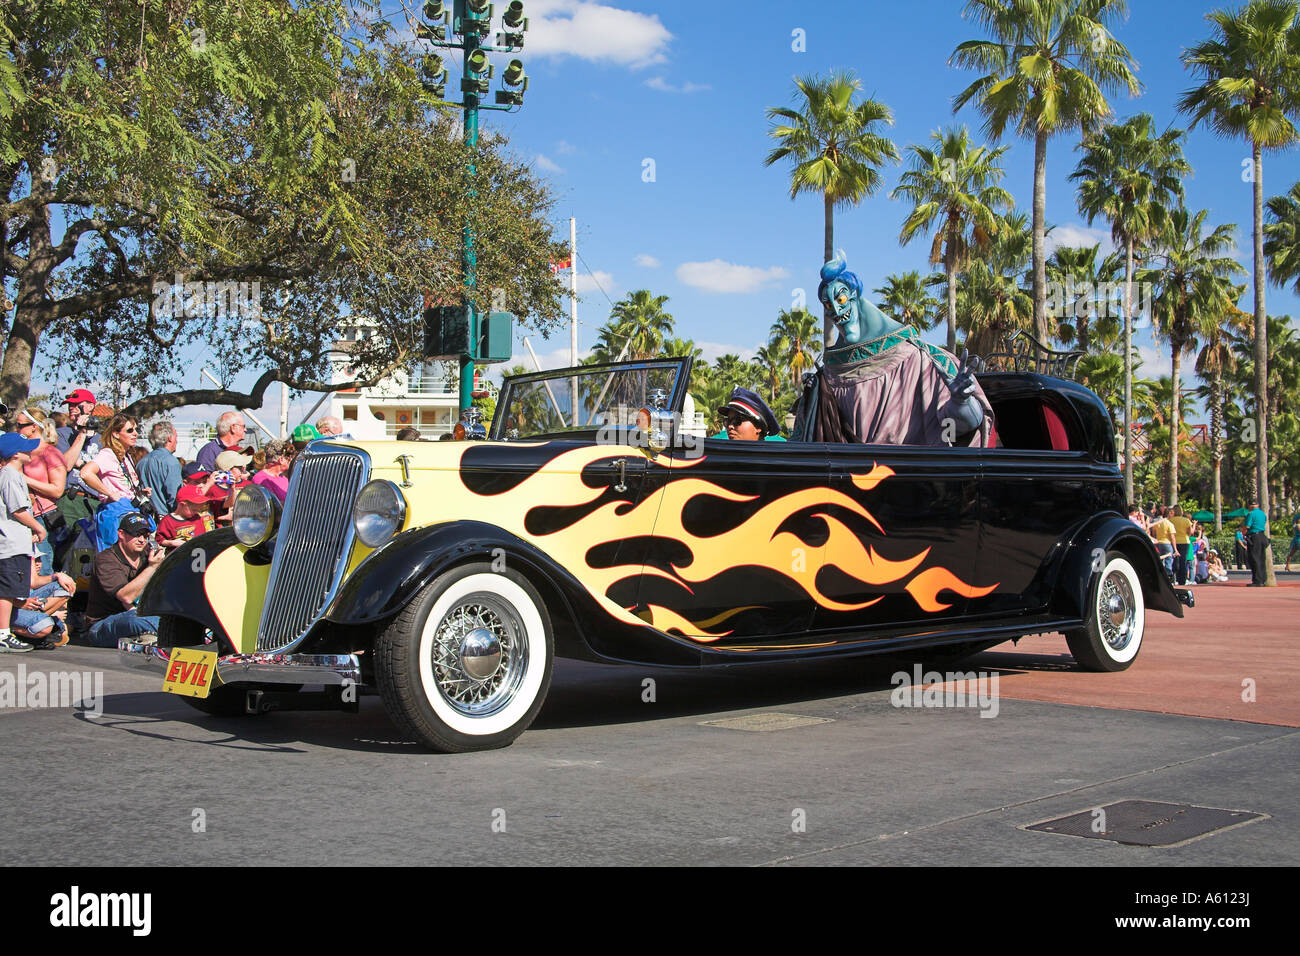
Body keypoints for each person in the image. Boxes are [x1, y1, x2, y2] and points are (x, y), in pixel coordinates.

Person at [793, 250, 992, 446]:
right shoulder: (824, 380)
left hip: (901, 476)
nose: (836, 310)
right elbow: (802, 443)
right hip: (842, 477)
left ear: (855, 295)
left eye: (841, 299)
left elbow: (959, 430)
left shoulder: (922, 361)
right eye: (828, 305)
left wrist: (962, 403)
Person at [83, 511, 164, 647]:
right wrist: (152, 568)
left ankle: (149, 638)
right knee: (136, 619)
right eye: (137, 535)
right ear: (121, 534)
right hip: (103, 624)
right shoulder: (106, 559)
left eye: (145, 536)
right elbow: (126, 597)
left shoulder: (148, 555)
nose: (142, 540)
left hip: (141, 615)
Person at [0, 431, 49, 654]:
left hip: (16, 542)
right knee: (7, 591)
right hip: (9, 546)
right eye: (25, 448)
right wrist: (38, 526)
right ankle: (3, 634)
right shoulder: (9, 474)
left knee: (11, 590)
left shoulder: (13, 474)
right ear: (15, 453)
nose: (30, 451)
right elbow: (17, 510)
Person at [14, 407, 67, 575]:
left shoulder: (50, 452)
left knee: (43, 567)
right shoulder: (21, 451)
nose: (17, 429)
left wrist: (24, 479)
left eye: (20, 425)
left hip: (44, 517)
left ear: (34, 427)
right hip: (24, 516)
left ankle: (49, 599)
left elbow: (58, 490)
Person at [709, 387, 786, 442]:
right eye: (727, 421)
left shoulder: (771, 460)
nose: (730, 426)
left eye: (737, 421)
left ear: (758, 427)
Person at [137, 421, 182, 515]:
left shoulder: (141, 462)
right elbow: (174, 496)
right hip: (164, 517)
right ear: (170, 438)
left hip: (145, 517)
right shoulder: (171, 462)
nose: (177, 441)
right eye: (176, 437)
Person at [155, 484, 216, 550]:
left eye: (198, 510)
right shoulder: (168, 521)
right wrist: (171, 543)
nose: (197, 512)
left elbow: (202, 537)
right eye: (194, 510)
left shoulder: (197, 518)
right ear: (182, 505)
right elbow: (159, 540)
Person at [1245, 499, 1270, 586]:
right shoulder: (1262, 514)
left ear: (1250, 506)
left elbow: (1247, 526)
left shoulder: (1251, 514)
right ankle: (1263, 579)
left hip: (1254, 536)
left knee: (1254, 559)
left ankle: (1257, 580)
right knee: (1261, 558)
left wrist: (1244, 533)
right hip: (1262, 536)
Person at [1168, 506, 1194, 586]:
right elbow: (1190, 532)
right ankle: (1182, 579)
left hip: (1174, 541)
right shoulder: (1186, 520)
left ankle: (1173, 577)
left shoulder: (1171, 520)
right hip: (1184, 541)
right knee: (1183, 561)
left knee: (1175, 560)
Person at [1148, 507, 1176, 579]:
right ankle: (1168, 577)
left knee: (1160, 561)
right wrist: (1175, 549)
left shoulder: (1159, 522)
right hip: (1167, 543)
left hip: (1159, 543)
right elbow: (1172, 537)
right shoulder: (1169, 524)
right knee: (1168, 562)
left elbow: (1154, 532)